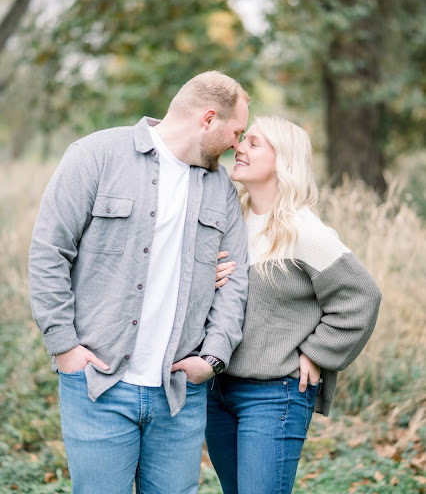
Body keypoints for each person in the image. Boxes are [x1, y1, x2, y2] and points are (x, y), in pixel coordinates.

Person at [28, 71, 251, 494]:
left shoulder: (219, 185)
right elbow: (49, 251)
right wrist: (64, 346)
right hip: (98, 385)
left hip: (178, 394)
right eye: (236, 131)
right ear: (208, 119)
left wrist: (214, 357)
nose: (237, 145)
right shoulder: (96, 155)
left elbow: (235, 279)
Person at [206, 115, 382, 494]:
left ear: (283, 160)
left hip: (273, 395)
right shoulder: (229, 219)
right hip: (216, 389)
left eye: (255, 143)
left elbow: (362, 296)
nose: (238, 147)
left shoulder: (303, 230)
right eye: (242, 140)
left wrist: (318, 352)